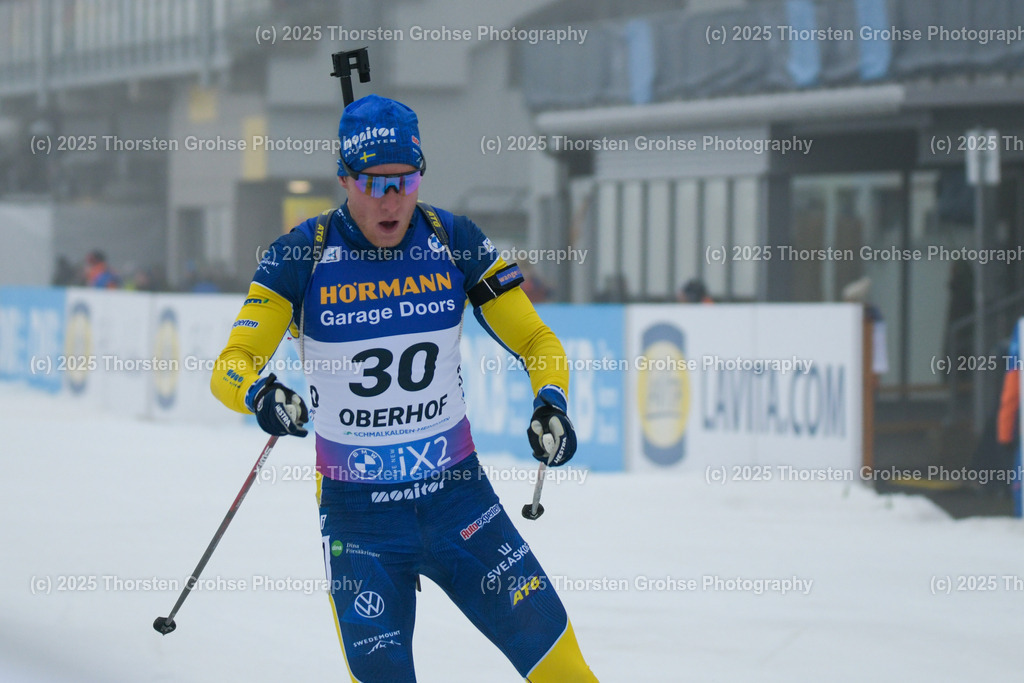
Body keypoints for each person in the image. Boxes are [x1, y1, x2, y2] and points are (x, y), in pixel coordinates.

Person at [210, 95, 598, 682]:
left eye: (405, 180)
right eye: (373, 183)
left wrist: (553, 403)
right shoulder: (300, 255)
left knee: (563, 670)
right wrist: (260, 395)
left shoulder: (454, 239)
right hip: (360, 522)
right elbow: (231, 365)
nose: (392, 199)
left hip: (460, 503)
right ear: (343, 178)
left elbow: (538, 343)